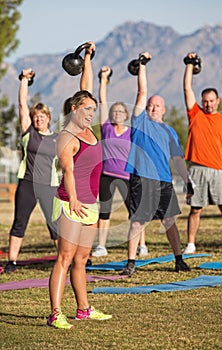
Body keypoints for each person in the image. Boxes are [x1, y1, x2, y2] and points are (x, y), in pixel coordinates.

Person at [47, 42, 112, 330]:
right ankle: (55, 313)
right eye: (86, 109)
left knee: (82, 259)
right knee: (65, 257)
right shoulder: (68, 135)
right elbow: (68, 171)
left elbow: (86, 89)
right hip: (70, 202)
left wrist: (87, 59)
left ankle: (84, 309)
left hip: (90, 202)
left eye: (93, 109)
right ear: (74, 109)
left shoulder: (88, 130)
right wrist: (73, 199)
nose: (91, 112)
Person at [121, 52, 193, 276]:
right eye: (151, 105)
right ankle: (131, 263)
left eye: (157, 106)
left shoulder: (170, 131)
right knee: (138, 222)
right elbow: (142, 92)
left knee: (169, 221)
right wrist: (142, 65)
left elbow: (178, 159)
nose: (153, 108)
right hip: (141, 179)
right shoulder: (139, 121)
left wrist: (187, 181)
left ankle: (179, 260)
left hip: (164, 181)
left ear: (163, 110)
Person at [4, 68, 59, 273]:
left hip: (49, 186)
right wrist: (24, 80)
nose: (38, 120)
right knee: (20, 222)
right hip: (27, 183)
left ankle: (63, 260)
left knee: (55, 226)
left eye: (42, 116)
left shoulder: (57, 138)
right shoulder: (29, 133)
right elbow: (21, 104)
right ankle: (12, 261)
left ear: (48, 118)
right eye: (35, 116)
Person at [92, 66, 148, 258]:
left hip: (127, 175)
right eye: (114, 111)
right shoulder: (106, 127)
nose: (116, 114)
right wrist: (103, 79)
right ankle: (101, 246)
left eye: (120, 112)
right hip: (106, 175)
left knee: (134, 213)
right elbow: (102, 100)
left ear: (125, 115)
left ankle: (141, 245)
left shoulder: (131, 131)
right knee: (104, 212)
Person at [183, 52, 222, 254]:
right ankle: (191, 244)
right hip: (197, 169)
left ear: (218, 101)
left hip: (219, 171)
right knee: (195, 209)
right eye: (205, 101)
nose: (208, 104)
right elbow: (187, 88)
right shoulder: (195, 114)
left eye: (211, 101)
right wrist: (190, 64)